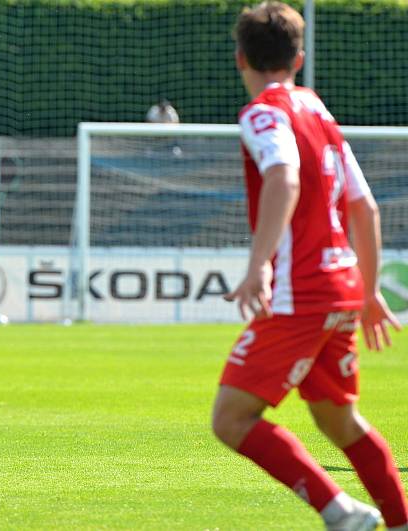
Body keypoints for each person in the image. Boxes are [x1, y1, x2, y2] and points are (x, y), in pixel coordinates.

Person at [213, 3, 408, 530]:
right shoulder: (316, 109)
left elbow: (283, 176)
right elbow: (363, 206)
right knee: (337, 419)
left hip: (302, 291)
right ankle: (399, 518)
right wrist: (367, 291)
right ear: (299, 57)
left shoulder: (262, 113)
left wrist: (258, 266)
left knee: (231, 419)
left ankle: (340, 512)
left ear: (239, 59)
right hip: (342, 285)